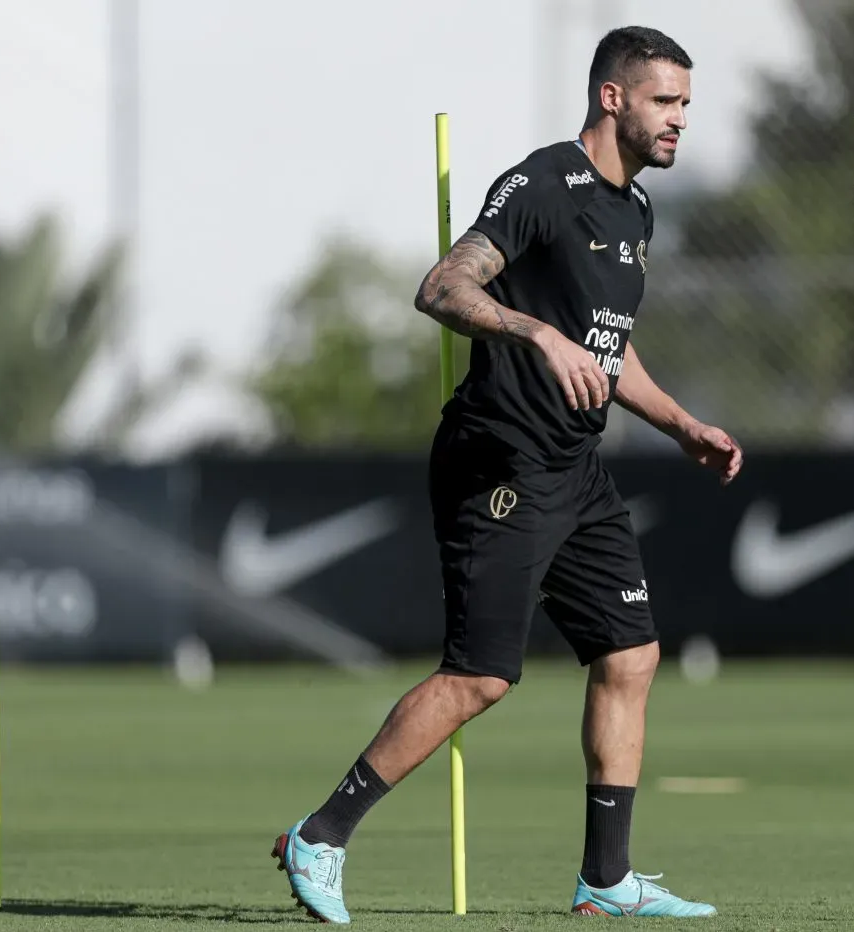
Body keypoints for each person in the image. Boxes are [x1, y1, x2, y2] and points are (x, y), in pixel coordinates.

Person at [271, 25, 743, 922]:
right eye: (666, 101)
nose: (682, 120)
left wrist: (682, 425)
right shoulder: (543, 183)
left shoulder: (636, 210)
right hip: (500, 459)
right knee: (483, 676)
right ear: (614, 97)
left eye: (686, 103)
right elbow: (442, 286)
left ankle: (605, 881)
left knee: (631, 655)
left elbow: (608, 345)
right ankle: (320, 835)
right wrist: (534, 332)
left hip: (576, 465)